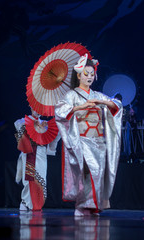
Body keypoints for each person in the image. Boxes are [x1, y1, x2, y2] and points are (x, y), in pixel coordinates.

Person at [55, 54, 123, 217]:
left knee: (98, 172)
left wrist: (104, 103)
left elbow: (117, 105)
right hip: (81, 140)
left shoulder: (97, 95)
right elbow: (60, 111)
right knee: (86, 171)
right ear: (78, 75)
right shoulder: (71, 95)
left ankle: (94, 206)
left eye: (92, 74)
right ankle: (82, 205)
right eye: (86, 74)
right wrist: (80, 107)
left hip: (98, 141)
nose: (90, 77)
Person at [14, 108, 60, 211]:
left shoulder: (45, 123)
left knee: (41, 179)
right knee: (29, 179)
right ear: (30, 107)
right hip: (30, 152)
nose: (37, 111)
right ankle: (25, 202)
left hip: (41, 153)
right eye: (35, 108)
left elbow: (56, 132)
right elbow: (17, 125)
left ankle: (37, 203)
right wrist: (34, 125)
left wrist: (44, 128)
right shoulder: (24, 120)